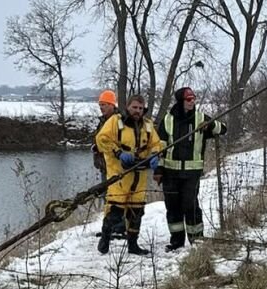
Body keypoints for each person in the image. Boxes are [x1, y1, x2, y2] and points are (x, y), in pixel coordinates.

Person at [156, 84, 226, 250]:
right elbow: (159, 147)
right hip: (170, 172)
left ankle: (197, 240)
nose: (192, 102)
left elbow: (223, 128)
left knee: (190, 205)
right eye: (189, 99)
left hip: (192, 173)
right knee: (173, 207)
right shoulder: (167, 120)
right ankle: (177, 241)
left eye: (194, 98)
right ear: (181, 101)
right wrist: (158, 169)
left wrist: (210, 125)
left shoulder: (201, 118)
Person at [95, 93, 163, 255]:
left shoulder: (147, 125)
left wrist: (154, 155)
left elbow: (156, 143)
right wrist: (118, 153)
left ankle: (133, 245)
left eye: (140, 108)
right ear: (127, 107)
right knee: (115, 211)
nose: (137, 111)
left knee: (136, 212)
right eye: (134, 107)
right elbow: (102, 139)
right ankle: (105, 238)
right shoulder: (115, 122)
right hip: (119, 175)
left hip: (139, 175)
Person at [92, 90, 118, 174]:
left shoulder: (119, 121)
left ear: (112, 105)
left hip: (115, 167)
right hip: (104, 166)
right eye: (100, 105)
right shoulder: (102, 121)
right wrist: (96, 147)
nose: (101, 107)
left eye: (103, 104)